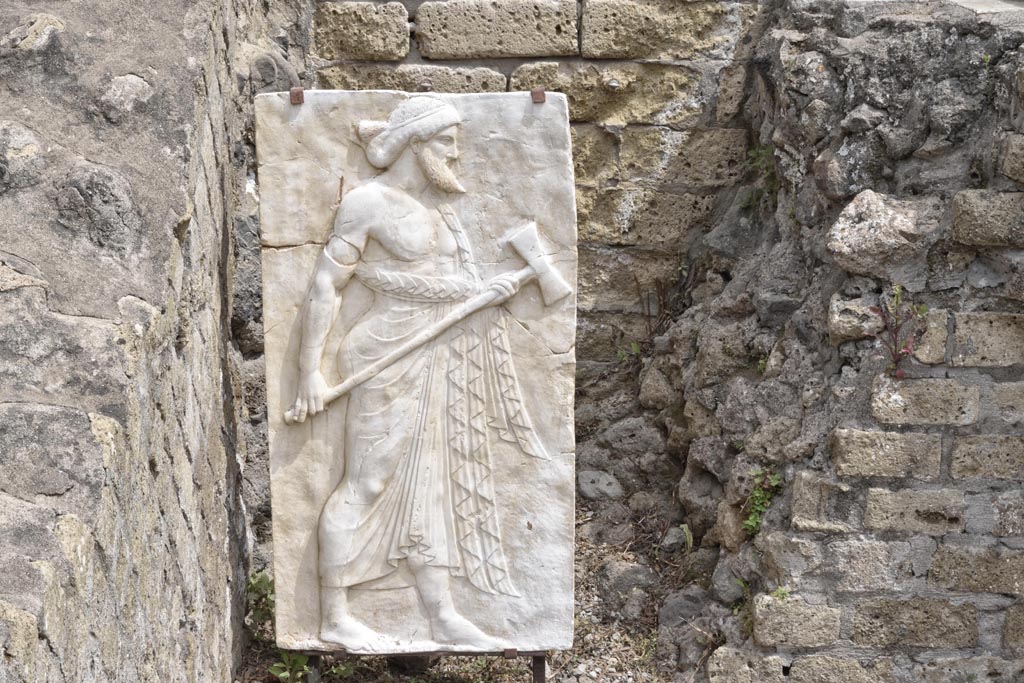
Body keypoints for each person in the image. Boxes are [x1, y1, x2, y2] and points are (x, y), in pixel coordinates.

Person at [289, 96, 546, 652]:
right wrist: (309, 372)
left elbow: (450, 286)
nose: (455, 154)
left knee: (432, 483)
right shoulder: (367, 201)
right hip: (385, 351)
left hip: (438, 354)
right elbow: (327, 285)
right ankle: (333, 616)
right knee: (367, 481)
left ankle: (441, 615)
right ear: (416, 143)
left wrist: (487, 291)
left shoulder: (441, 208)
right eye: (446, 142)